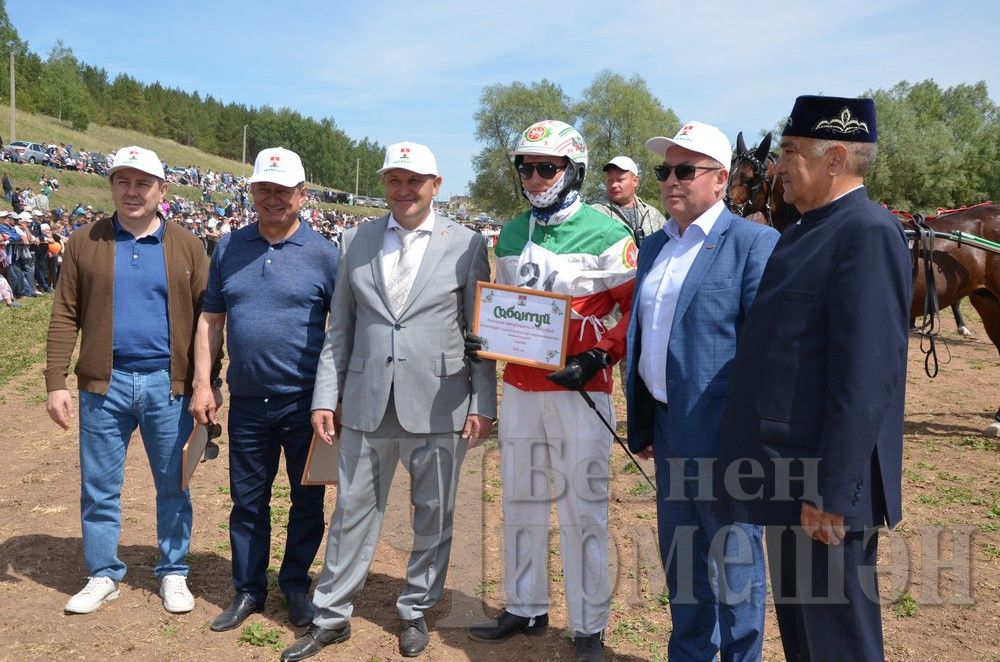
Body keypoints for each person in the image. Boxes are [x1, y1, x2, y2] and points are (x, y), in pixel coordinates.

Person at [714, 96, 911, 662]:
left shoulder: (865, 233)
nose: (777, 166)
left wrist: (832, 495)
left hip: (822, 490)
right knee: (805, 641)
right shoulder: (806, 230)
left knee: (838, 643)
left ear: (836, 159)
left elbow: (866, 379)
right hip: (786, 478)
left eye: (792, 152)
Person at [280, 142, 495, 661]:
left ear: (435, 186)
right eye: (394, 181)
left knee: (434, 513)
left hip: (441, 401)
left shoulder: (467, 245)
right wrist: (325, 396)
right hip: (366, 398)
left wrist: (482, 402)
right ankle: (331, 615)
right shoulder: (357, 238)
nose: (403, 191)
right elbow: (341, 329)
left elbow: (480, 333)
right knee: (353, 509)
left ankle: (417, 608)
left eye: (413, 181)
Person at [466, 120, 635, 662]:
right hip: (519, 386)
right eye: (526, 167)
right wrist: (485, 336)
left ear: (573, 171)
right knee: (520, 499)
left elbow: (637, 312)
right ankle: (525, 605)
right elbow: (508, 306)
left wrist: (599, 355)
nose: (534, 177)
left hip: (580, 392)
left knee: (582, 508)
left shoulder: (609, 234)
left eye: (547, 167)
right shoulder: (511, 232)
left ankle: (589, 627)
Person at [625, 121, 779, 661]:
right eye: (665, 170)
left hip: (728, 440)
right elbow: (647, 340)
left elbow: (771, 356)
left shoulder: (754, 244)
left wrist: (756, 440)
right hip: (669, 431)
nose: (670, 180)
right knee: (683, 562)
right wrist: (643, 424)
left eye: (685, 170)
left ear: (720, 179)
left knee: (736, 567)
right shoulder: (653, 248)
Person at [44, 145, 209, 615]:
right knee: (99, 485)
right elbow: (64, 315)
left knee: (174, 483)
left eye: (143, 183)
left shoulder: (187, 245)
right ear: (112, 186)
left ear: (162, 189)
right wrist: (56, 380)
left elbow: (205, 320)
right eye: (123, 181)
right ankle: (102, 573)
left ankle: (174, 570)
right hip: (104, 384)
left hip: (167, 385)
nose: (132, 192)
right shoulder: (84, 242)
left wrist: (205, 381)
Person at [190, 147, 339, 633]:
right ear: (252, 192)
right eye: (263, 189)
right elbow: (211, 318)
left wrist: (334, 397)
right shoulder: (230, 247)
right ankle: (249, 589)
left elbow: (341, 330)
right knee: (247, 500)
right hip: (249, 401)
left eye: (282, 189)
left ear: (302, 193)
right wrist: (203, 382)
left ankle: (295, 585)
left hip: (305, 403)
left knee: (307, 498)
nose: (272, 198)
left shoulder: (324, 253)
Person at [590, 155, 665, 245]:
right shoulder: (593, 214)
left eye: (619, 180)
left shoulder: (653, 215)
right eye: (610, 180)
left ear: (635, 181)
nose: (614, 185)